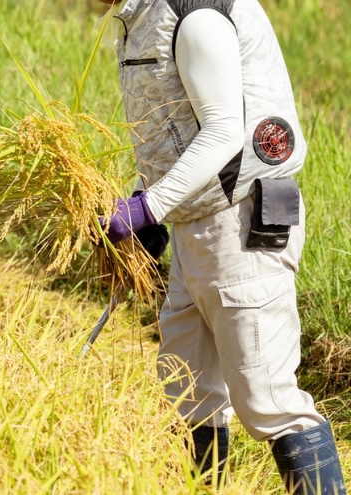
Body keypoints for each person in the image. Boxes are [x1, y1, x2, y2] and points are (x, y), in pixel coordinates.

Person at [95, 0, 347, 493]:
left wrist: (151, 207)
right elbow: (173, 130)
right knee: (189, 391)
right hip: (198, 224)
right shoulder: (144, 18)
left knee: (268, 400)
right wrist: (150, 201)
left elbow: (223, 132)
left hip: (240, 225)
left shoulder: (197, 16)